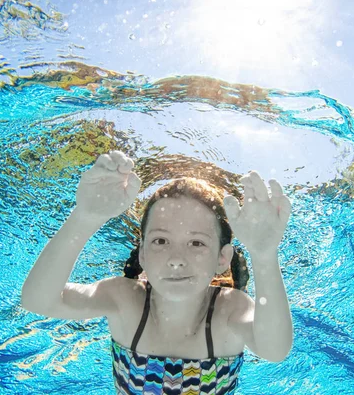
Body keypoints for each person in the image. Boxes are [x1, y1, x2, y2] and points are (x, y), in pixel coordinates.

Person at [21, 151, 293, 394]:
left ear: (222, 258)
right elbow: (38, 301)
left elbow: (274, 349)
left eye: (196, 243)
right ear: (142, 254)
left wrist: (264, 255)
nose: (176, 260)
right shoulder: (124, 298)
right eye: (161, 241)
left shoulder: (228, 308)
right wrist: (86, 216)